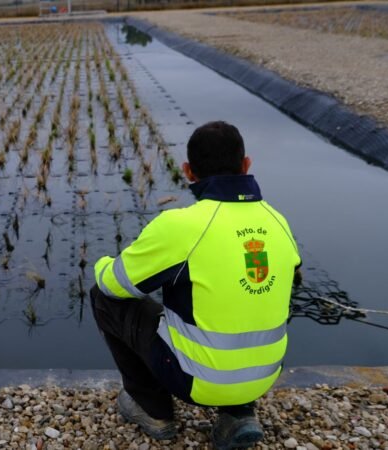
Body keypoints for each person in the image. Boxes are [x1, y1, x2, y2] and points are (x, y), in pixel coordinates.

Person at [91, 121, 301, 449]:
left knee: (103, 298)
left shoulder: (181, 227)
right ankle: (239, 413)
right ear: (246, 165)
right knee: (241, 298)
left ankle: (152, 409)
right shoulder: (278, 221)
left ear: (189, 171)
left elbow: (114, 285)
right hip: (265, 377)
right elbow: (291, 278)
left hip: (194, 381)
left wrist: (102, 265)